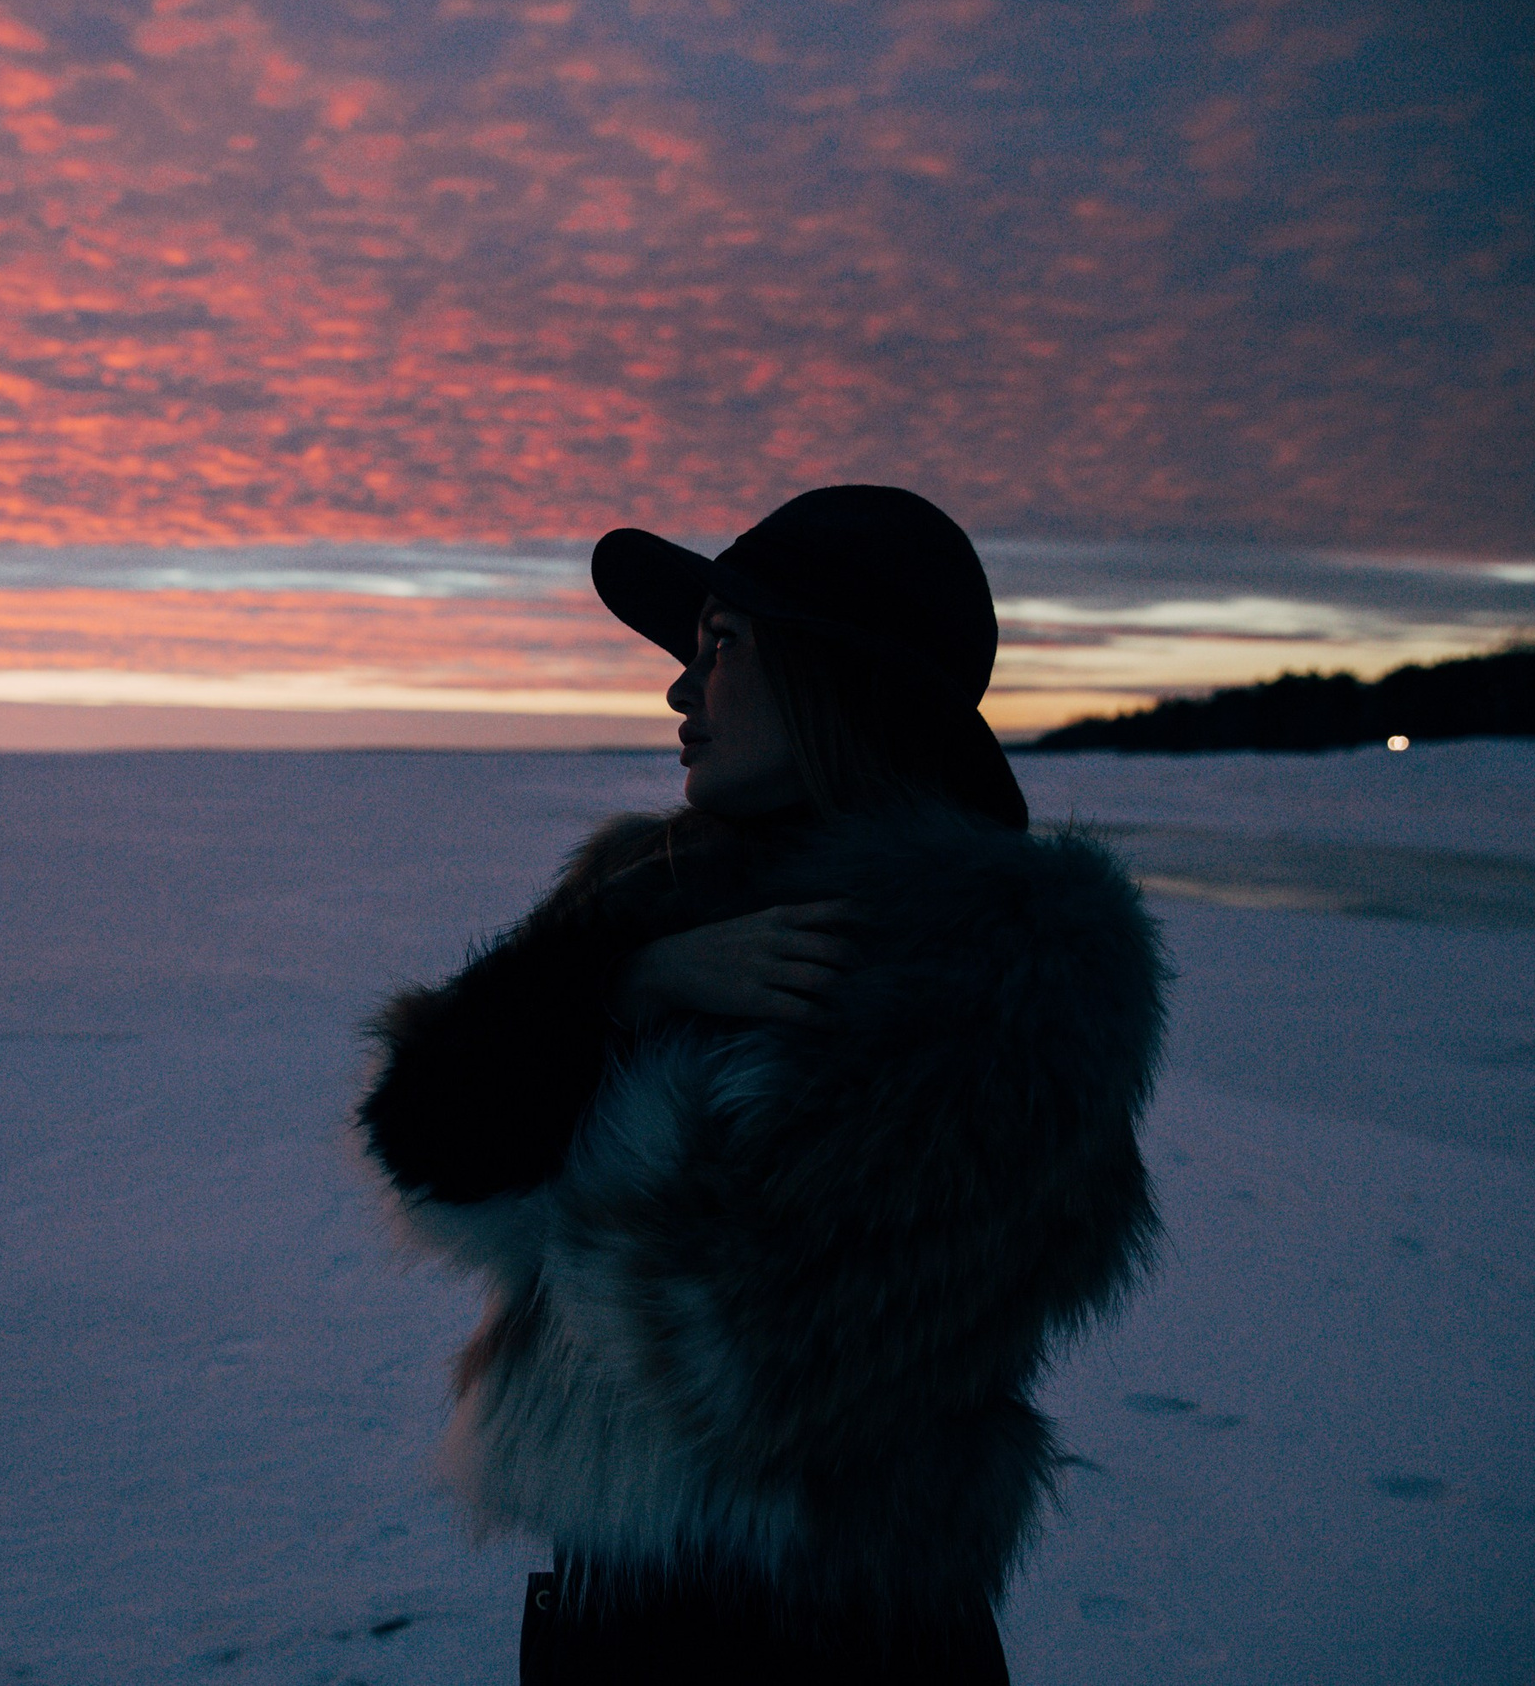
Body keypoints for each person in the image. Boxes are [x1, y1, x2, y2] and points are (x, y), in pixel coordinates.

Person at [354, 487, 1168, 1684]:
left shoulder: (996, 963)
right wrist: (617, 983)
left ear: (832, 679)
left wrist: (598, 1128)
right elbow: (429, 1146)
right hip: (603, 1613)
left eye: (721, 646)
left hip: (828, 1632)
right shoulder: (648, 893)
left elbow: (749, 1357)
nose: (680, 692)